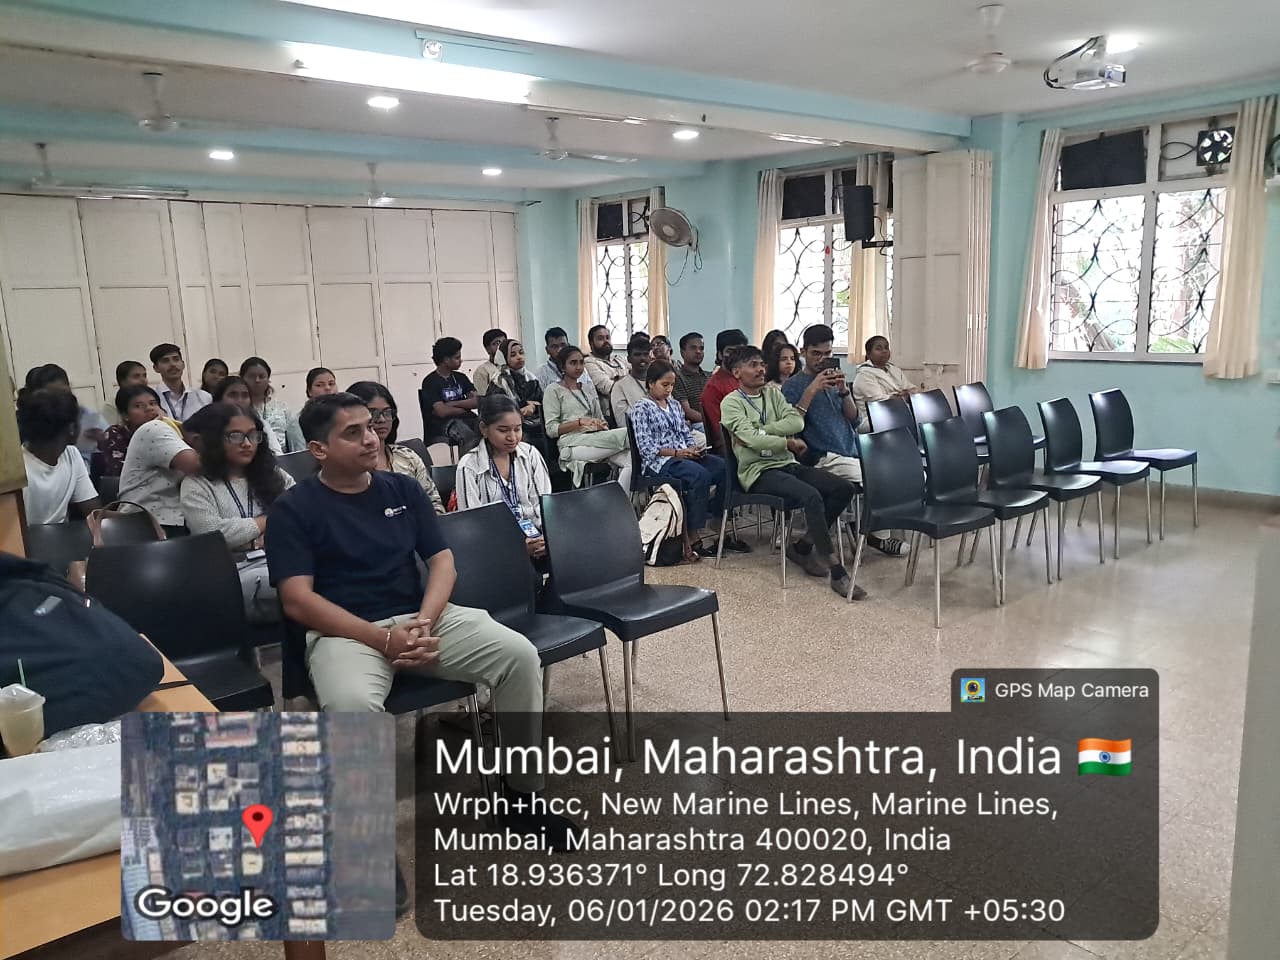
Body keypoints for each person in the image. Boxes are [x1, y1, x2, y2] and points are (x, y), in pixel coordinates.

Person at [266, 393, 576, 846]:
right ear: (318, 449)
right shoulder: (294, 509)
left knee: (519, 657)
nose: (371, 438)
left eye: (371, 426)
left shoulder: (402, 489)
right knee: (352, 706)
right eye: (353, 433)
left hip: (422, 619)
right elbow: (297, 600)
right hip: (346, 633)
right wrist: (382, 639)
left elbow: (443, 562)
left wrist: (425, 622)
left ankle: (521, 797)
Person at [720, 346, 862, 599]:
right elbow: (751, 440)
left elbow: (796, 421)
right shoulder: (731, 403)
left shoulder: (772, 394)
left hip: (787, 463)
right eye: (753, 365)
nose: (761, 369)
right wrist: (783, 440)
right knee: (811, 496)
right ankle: (837, 570)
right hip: (758, 471)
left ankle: (803, 546)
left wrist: (762, 431)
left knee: (843, 488)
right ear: (737, 372)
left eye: (762, 364)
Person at [782, 325, 908, 559]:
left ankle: (869, 529)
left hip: (851, 448)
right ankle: (875, 536)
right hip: (822, 456)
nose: (822, 359)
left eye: (827, 354)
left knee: (894, 470)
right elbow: (791, 427)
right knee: (877, 477)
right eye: (816, 353)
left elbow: (854, 419)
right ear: (803, 352)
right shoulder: (792, 386)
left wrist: (843, 391)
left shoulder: (834, 380)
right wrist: (812, 390)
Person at [630, 360, 729, 561]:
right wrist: (677, 453)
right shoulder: (641, 408)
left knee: (724, 467)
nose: (669, 390)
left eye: (672, 385)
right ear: (651, 383)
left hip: (683, 456)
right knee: (699, 476)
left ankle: (717, 516)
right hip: (660, 462)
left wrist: (692, 449)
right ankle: (692, 534)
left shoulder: (674, 405)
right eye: (664, 385)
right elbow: (646, 448)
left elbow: (685, 434)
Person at [180, 402, 294, 552]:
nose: (247, 443)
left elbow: (300, 510)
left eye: (252, 435)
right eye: (235, 436)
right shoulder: (196, 484)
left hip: (281, 556)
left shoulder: (273, 474)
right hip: (227, 564)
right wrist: (268, 521)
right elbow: (211, 534)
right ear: (215, 440)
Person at [456, 394, 552, 567]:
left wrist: (546, 538)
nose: (512, 437)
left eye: (517, 429)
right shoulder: (469, 466)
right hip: (494, 548)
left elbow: (544, 505)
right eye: (503, 430)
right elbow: (474, 525)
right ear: (484, 429)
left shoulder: (530, 454)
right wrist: (515, 546)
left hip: (536, 539)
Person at [346, 381, 444, 515]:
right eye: (373, 414)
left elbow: (434, 505)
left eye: (387, 413)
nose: (381, 420)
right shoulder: (347, 465)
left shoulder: (408, 457)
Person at [542, 344, 631, 489]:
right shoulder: (553, 390)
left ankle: (619, 502)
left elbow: (601, 419)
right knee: (630, 433)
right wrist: (579, 423)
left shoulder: (587, 389)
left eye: (581, 362)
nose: (578, 367)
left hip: (595, 438)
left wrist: (601, 425)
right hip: (571, 444)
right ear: (562, 366)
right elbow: (551, 430)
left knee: (631, 460)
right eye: (573, 363)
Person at [17, 388, 100, 525]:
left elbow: (93, 512)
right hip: (26, 538)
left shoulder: (71, 454)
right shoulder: (19, 470)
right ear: (72, 428)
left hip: (63, 536)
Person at [117, 407, 203, 537]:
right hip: (146, 524)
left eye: (153, 403)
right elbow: (195, 464)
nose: (149, 408)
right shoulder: (155, 428)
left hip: (178, 522)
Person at [20, 364, 108, 467]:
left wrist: (104, 442)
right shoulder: (32, 426)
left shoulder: (87, 415)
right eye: (53, 397)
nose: (62, 400)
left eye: (64, 394)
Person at [418, 337, 480, 453]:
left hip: (468, 418)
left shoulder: (461, 378)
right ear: (446, 360)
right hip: (443, 424)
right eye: (457, 357)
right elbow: (442, 412)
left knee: (488, 429)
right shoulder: (430, 381)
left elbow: (476, 401)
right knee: (466, 435)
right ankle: (467, 464)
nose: (461, 360)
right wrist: (465, 407)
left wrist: (452, 404)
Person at [851, 335, 920, 431]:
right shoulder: (864, 375)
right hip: (872, 418)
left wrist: (904, 395)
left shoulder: (894, 370)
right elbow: (879, 401)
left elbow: (912, 389)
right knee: (910, 420)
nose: (884, 351)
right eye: (878, 349)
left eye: (886, 348)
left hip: (897, 412)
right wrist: (901, 397)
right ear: (869, 354)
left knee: (923, 416)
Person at [490, 339, 546, 454]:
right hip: (509, 424)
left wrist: (533, 407)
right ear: (504, 358)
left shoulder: (531, 377)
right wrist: (524, 406)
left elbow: (541, 401)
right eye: (513, 355)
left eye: (521, 353)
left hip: (534, 422)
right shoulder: (499, 381)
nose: (519, 357)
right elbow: (499, 407)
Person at [97, 384, 166, 478]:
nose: (149, 408)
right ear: (125, 415)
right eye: (138, 406)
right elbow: (123, 474)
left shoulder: (165, 430)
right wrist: (148, 431)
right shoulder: (113, 434)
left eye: (152, 403)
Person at [698, 328, 749, 453]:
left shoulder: (748, 378)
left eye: (740, 351)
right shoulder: (713, 388)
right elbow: (722, 434)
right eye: (730, 351)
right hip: (736, 448)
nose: (736, 356)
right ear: (720, 354)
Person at [240, 357, 305, 453]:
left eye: (262, 376)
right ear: (242, 378)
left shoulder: (282, 408)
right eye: (251, 376)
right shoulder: (239, 409)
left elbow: (297, 443)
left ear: (268, 379)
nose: (257, 380)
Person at [213, 376, 284, 455]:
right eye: (233, 395)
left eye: (245, 395)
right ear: (219, 399)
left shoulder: (260, 424)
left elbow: (278, 454)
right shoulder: (209, 425)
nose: (239, 400)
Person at [151, 343, 212, 422]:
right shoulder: (151, 399)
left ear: (183, 364)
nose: (172, 364)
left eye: (176, 359)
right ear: (156, 368)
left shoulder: (204, 397)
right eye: (165, 361)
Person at [610, 333, 651, 428]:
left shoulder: (659, 382)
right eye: (637, 355)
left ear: (650, 357)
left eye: (645, 354)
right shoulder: (620, 386)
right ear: (629, 359)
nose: (642, 358)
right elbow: (623, 423)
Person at [582, 324, 626, 414]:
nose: (606, 341)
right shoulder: (588, 363)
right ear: (591, 343)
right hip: (609, 413)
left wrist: (617, 380)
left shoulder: (619, 359)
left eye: (607, 337)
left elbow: (637, 377)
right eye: (600, 338)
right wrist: (627, 379)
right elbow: (608, 388)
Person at [672, 332, 710, 430]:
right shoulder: (677, 378)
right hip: (693, 425)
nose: (698, 351)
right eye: (693, 348)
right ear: (682, 352)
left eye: (701, 348)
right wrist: (711, 421)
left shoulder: (709, 376)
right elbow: (687, 411)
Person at [103, 361, 148, 426]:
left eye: (144, 376)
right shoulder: (111, 404)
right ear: (122, 381)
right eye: (136, 376)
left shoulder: (150, 398)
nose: (143, 380)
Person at [471, 328, 507, 397]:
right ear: (488, 349)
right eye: (497, 343)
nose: (501, 346)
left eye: (504, 342)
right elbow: (482, 398)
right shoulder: (482, 371)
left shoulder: (512, 366)